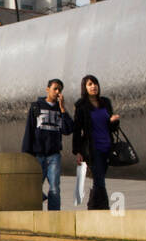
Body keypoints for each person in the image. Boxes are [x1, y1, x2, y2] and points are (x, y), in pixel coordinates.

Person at [20, 78, 73, 210]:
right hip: (38, 155)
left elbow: (68, 129)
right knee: (34, 187)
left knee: (54, 188)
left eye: (59, 90)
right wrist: (26, 154)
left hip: (53, 155)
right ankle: (35, 211)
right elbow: (30, 130)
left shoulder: (60, 110)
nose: (57, 92)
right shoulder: (36, 106)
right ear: (47, 89)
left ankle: (54, 216)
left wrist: (62, 109)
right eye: (55, 89)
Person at [71, 74, 120, 210]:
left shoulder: (105, 102)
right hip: (93, 149)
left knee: (99, 179)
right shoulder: (81, 106)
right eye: (90, 84)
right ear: (85, 87)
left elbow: (112, 128)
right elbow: (77, 130)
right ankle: (103, 208)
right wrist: (78, 151)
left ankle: (93, 205)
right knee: (99, 180)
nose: (93, 87)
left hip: (107, 146)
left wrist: (114, 121)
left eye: (95, 84)